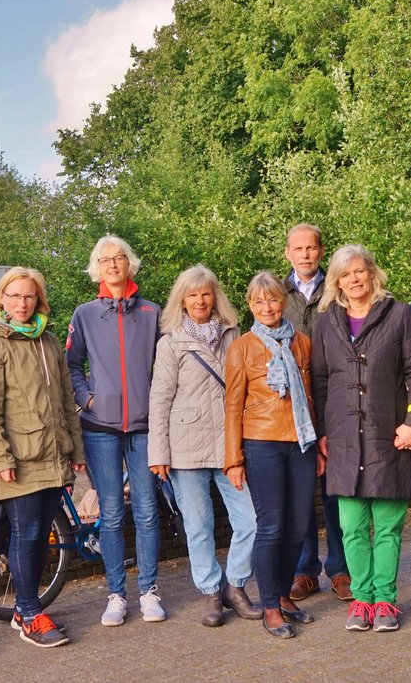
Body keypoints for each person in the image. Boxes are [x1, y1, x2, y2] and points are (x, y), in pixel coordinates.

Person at [311, 244, 411, 633]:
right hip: (344, 442)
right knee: (351, 527)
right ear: (337, 281)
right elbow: (321, 380)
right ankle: (361, 600)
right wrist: (324, 432)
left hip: (387, 437)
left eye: (360, 271)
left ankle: (386, 602)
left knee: (389, 526)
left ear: (372, 273)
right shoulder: (326, 322)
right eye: (346, 274)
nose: (354, 279)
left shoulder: (400, 316)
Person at [0, 267, 86, 648]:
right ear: (1, 299)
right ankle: (29, 613)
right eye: (16, 296)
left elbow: (67, 400)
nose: (23, 304)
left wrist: (76, 448)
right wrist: (0, 457)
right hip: (19, 457)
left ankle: (27, 609)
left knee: (44, 537)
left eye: (30, 296)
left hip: (54, 453)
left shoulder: (49, 339)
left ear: (39, 299)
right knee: (26, 534)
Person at [148, 265, 262, 627]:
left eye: (206, 293)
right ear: (182, 300)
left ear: (215, 297)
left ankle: (236, 585)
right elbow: (159, 400)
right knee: (198, 526)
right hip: (185, 447)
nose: (200, 300)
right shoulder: (169, 344)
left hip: (230, 447)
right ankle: (212, 591)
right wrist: (159, 454)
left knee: (251, 521)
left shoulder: (235, 336)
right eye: (193, 294)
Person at [65, 234, 165, 626]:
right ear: (96, 268)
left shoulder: (153, 313)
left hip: (144, 428)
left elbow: (167, 367)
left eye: (118, 257)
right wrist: (88, 399)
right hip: (100, 427)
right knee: (109, 514)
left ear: (129, 264)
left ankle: (150, 591)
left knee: (146, 512)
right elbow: (71, 365)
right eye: (103, 259)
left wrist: (157, 404)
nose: (111, 264)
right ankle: (116, 594)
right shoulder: (85, 314)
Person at [224, 270, 317, 639]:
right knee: (272, 526)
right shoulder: (242, 347)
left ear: (284, 301)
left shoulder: (303, 343)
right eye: (259, 301)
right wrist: (233, 458)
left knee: (298, 526)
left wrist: (319, 442)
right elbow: (232, 406)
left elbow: (311, 398)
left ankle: (283, 594)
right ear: (250, 304)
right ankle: (269, 606)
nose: (267, 307)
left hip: (302, 443)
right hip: (261, 443)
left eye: (274, 299)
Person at [283, 224, 351, 604]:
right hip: (292, 407)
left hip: (334, 401)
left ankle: (340, 568)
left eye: (311, 248)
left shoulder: (338, 289)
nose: (305, 254)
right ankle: (304, 570)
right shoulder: (278, 292)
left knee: (335, 493)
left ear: (321, 251)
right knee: (302, 492)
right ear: (288, 253)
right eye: (299, 248)